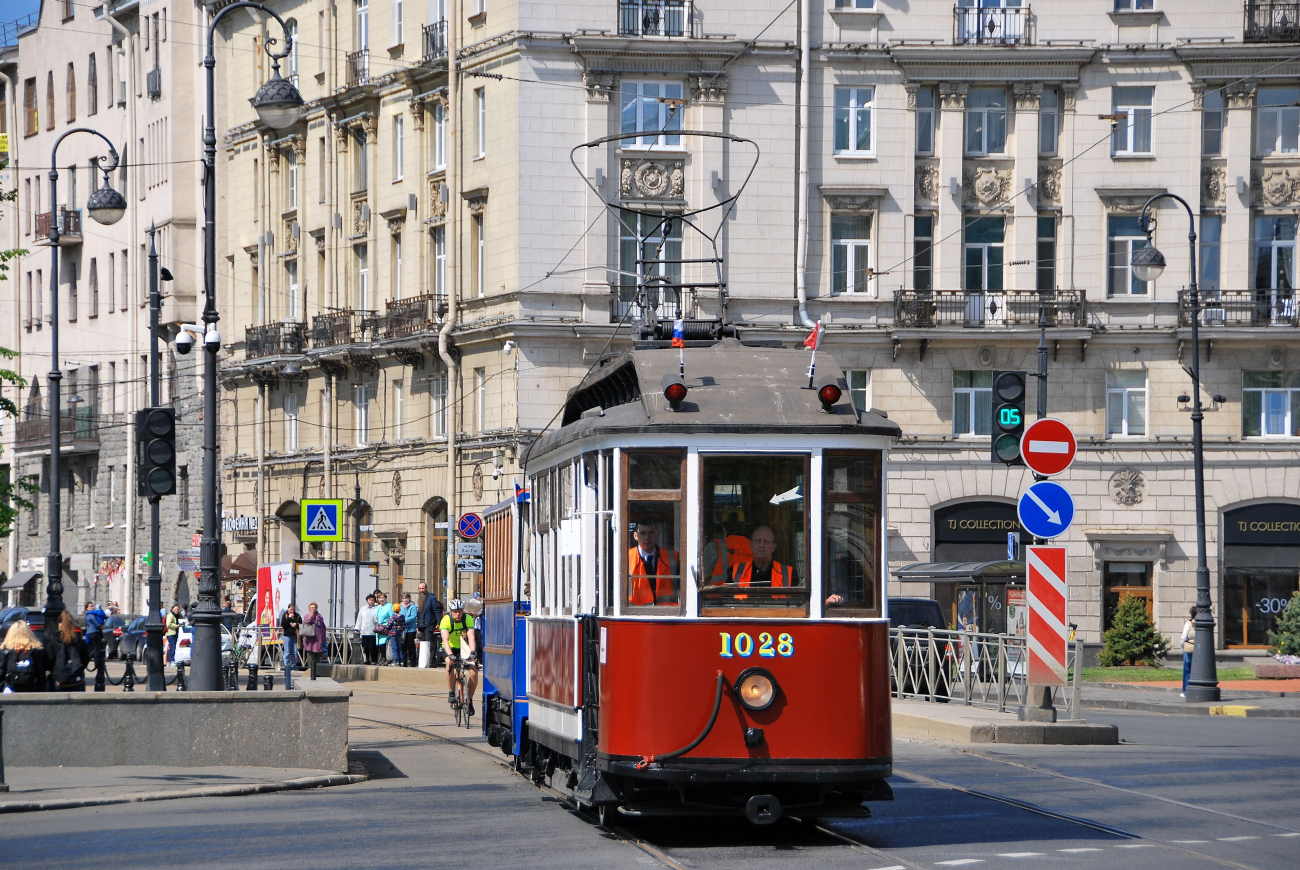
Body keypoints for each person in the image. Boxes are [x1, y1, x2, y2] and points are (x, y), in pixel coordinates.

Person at [440, 599, 478, 716]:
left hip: (464, 648)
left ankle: (469, 700)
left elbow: (471, 637)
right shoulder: (446, 620)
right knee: (449, 663)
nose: (458, 614)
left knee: (474, 673)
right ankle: (451, 692)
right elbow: (445, 640)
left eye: (460, 611)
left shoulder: (468, 619)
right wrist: (450, 654)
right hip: (450, 648)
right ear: (451, 612)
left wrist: (472, 652)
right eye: (455, 612)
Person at [627, 519, 678, 606]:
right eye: (642, 533)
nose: (647, 537)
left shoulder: (673, 557)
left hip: (668, 613)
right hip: (636, 614)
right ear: (635, 536)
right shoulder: (625, 558)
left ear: (657, 534)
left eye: (651, 533)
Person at [702, 517, 752, 585]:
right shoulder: (756, 547)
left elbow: (700, 576)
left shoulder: (715, 546)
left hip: (719, 594)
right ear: (743, 525)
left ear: (723, 526)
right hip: (750, 594)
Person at [48, 611, 90, 692]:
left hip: (59, 680)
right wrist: (78, 669)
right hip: (77, 680)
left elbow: (48, 660)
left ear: (59, 624)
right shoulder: (79, 640)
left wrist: (55, 672)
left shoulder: (54, 641)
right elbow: (86, 658)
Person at [0, 621, 47, 693]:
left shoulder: (5, 651)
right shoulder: (35, 651)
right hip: (31, 689)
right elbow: (41, 675)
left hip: (10, 690)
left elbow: (1, 672)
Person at [416, 581, 443, 669]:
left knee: (431, 644)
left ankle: (432, 662)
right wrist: (418, 625)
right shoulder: (419, 598)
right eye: (420, 588)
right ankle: (424, 661)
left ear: (426, 588)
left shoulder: (431, 597)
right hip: (421, 625)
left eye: (423, 588)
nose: (421, 590)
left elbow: (436, 610)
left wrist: (439, 622)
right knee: (423, 644)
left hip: (429, 624)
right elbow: (419, 613)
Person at [280, 603, 303, 689]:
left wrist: (296, 624)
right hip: (287, 635)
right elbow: (283, 625)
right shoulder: (285, 615)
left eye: (293, 609)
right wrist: (289, 618)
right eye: (291, 609)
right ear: (288, 609)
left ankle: (293, 665)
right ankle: (286, 665)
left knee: (294, 651)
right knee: (287, 651)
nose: (292, 611)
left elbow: (300, 622)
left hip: (295, 635)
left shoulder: (297, 615)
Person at [300, 602, 326, 674]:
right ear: (309, 609)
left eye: (314, 607)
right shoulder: (306, 616)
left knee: (318, 656)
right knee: (310, 656)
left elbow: (323, 627)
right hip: (310, 640)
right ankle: (311, 671)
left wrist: (324, 638)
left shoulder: (319, 616)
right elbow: (306, 622)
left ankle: (317, 672)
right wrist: (311, 616)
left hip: (318, 639)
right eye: (311, 608)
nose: (313, 609)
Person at [355, 594, 379, 665]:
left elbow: (378, 618)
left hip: (373, 631)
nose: (371, 602)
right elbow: (359, 619)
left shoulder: (377, 608)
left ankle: (374, 660)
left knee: (373, 647)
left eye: (372, 600)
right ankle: (367, 659)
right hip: (364, 631)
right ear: (367, 600)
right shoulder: (363, 609)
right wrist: (357, 628)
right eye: (369, 600)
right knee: (365, 647)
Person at [1180, 604, 1197, 698]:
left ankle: (1185, 690)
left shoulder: (1188, 624)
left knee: (1187, 670)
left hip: (1189, 648)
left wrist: (1182, 645)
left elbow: (1183, 637)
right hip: (1200, 649)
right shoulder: (1203, 623)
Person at [374, 593, 394, 665]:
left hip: (385, 628)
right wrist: (375, 619)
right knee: (379, 645)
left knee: (384, 644)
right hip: (378, 628)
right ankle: (382, 658)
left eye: (383, 598)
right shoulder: (378, 607)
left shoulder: (389, 606)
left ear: (385, 598)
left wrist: (389, 626)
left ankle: (386, 659)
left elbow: (392, 617)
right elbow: (376, 615)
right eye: (380, 598)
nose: (381, 599)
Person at [400, 593, 419, 668]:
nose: (405, 600)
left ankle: (413, 663)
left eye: (406, 598)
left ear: (409, 598)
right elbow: (398, 614)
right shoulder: (400, 606)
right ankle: (404, 662)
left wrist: (403, 620)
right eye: (404, 598)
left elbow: (413, 616)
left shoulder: (413, 606)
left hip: (411, 629)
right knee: (403, 646)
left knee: (411, 646)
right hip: (403, 630)